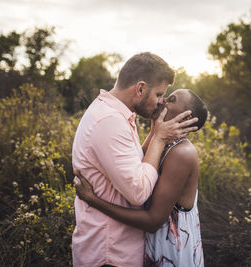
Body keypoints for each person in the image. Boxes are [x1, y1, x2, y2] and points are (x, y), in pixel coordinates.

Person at [72, 53, 199, 267]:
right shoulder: (109, 121)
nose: (161, 102)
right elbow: (138, 192)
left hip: (116, 250)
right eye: (159, 94)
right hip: (110, 253)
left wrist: (154, 134)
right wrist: (158, 138)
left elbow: (133, 169)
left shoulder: (116, 115)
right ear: (140, 88)